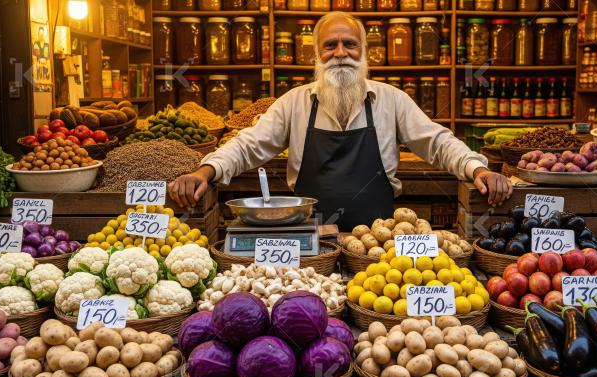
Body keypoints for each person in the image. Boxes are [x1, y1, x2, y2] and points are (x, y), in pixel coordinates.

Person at [168, 11, 513, 230]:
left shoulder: (390, 99)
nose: (340, 53)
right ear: (316, 54)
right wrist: (206, 170)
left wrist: (477, 169)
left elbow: (436, 142)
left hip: (377, 243)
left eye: (349, 44)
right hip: (310, 239)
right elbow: (247, 145)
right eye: (330, 45)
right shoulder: (296, 102)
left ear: (364, 51)